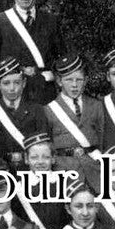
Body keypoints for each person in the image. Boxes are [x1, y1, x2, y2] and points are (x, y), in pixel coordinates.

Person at [44, 54, 104, 187]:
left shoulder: (97, 105)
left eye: (79, 80)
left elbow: (104, 138)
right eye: (69, 80)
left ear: (86, 80)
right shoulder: (48, 110)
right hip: (65, 171)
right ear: (59, 81)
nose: (75, 85)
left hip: (94, 169)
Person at [0, 57, 47, 169]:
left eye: (17, 82)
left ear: (24, 83)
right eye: (6, 83)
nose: (12, 88)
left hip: (30, 169)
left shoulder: (36, 110)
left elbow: (44, 145)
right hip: (1, 169)